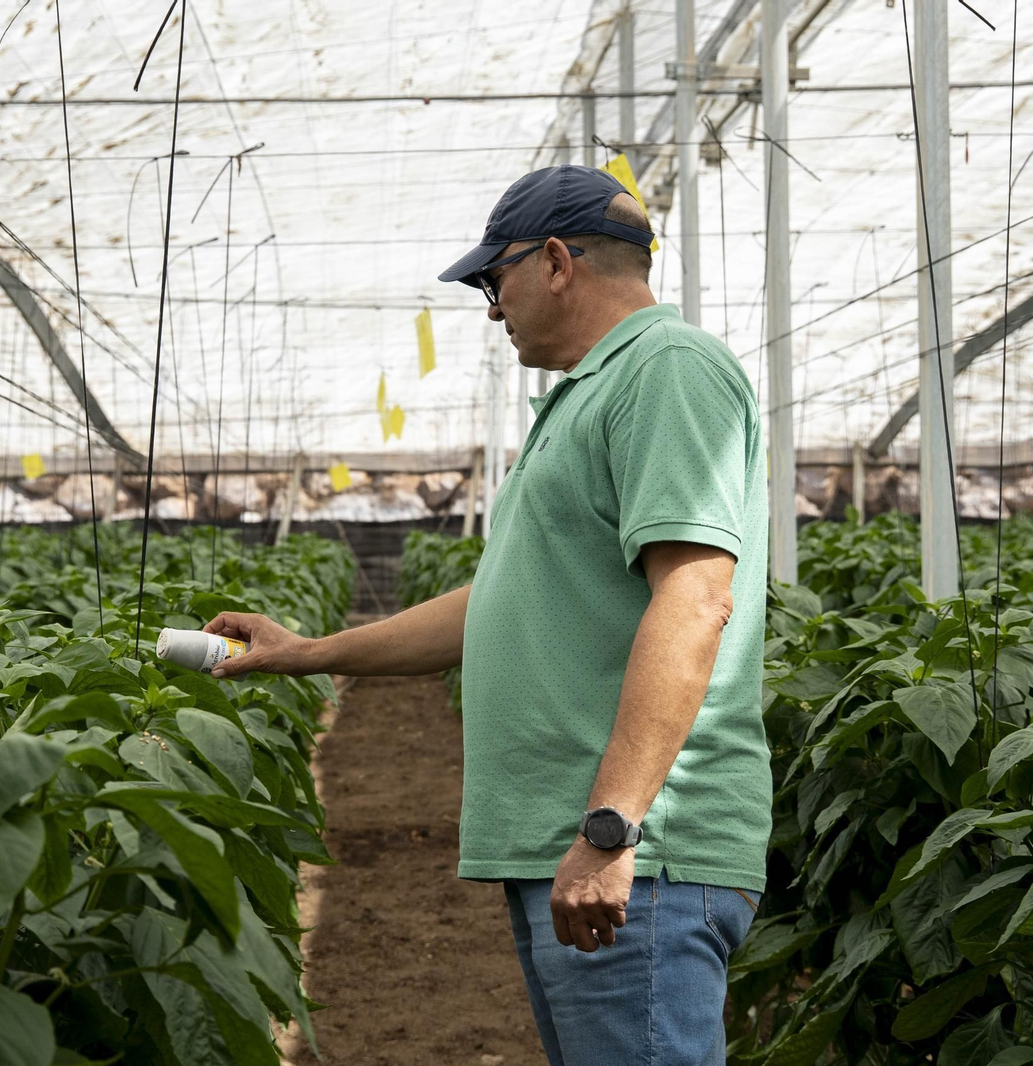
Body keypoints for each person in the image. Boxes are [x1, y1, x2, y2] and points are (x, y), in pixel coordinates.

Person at [203, 164, 772, 1066]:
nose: (491, 306)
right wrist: (303, 653)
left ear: (554, 262)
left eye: (491, 279)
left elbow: (696, 598)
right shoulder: (587, 396)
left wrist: (611, 827)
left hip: (636, 858)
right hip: (579, 851)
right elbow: (499, 606)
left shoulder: (667, 372)